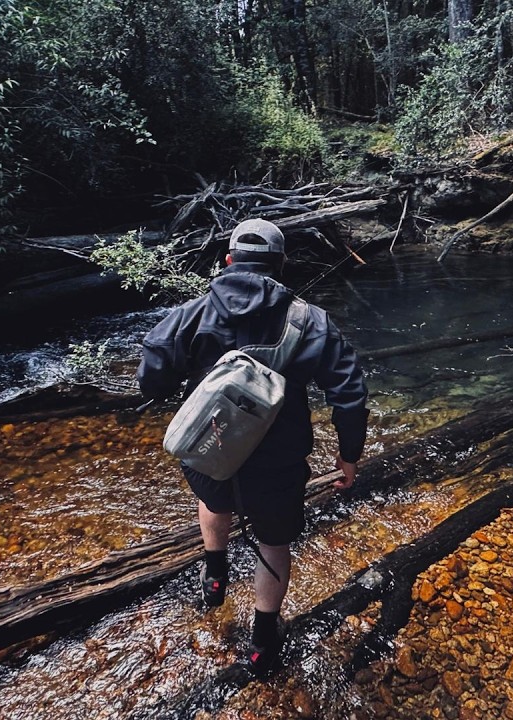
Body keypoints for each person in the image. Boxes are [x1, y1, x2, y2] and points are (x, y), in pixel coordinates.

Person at [137, 218, 369, 677]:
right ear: (281, 265)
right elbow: (350, 394)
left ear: (228, 261)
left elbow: (150, 379)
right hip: (277, 463)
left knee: (212, 497)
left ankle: (215, 575)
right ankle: (263, 641)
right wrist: (349, 455)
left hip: (208, 451)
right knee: (274, 540)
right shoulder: (310, 320)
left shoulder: (191, 314)